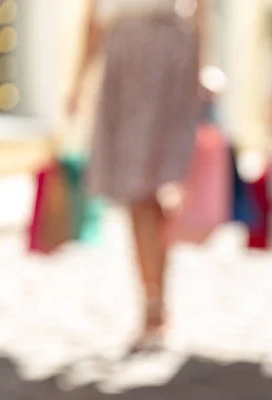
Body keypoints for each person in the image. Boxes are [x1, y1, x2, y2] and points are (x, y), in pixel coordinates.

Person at [67, 0, 207, 352]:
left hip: (168, 57)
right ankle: (153, 303)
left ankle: (156, 301)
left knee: (159, 188)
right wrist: (80, 81)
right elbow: (93, 15)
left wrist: (202, 64)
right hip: (123, 59)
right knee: (137, 192)